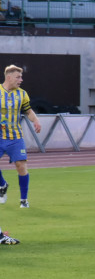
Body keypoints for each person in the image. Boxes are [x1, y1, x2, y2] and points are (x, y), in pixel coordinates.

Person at [0, 65, 42, 208]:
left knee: (21, 166)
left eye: (21, 77)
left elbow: (28, 111)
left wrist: (35, 120)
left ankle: (23, 200)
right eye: (18, 77)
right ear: (9, 77)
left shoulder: (22, 94)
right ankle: (2, 185)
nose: (21, 80)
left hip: (15, 136)